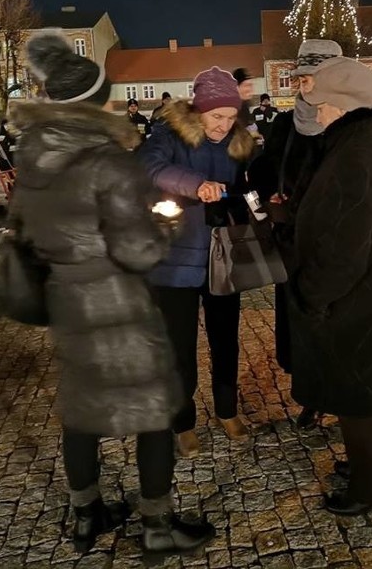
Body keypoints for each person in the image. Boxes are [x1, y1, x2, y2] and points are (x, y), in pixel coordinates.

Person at [9, 31, 215, 556]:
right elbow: (138, 251)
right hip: (117, 303)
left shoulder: (31, 156)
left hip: (67, 301)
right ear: (96, 103)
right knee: (153, 410)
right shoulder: (108, 160)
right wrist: (164, 224)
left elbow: (29, 231)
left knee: (82, 410)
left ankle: (86, 514)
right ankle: (157, 524)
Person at [291, 56, 372, 515]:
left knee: (357, 397)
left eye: (320, 105)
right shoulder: (364, 143)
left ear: (342, 106)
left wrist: (311, 297)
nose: (316, 113)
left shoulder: (355, 157)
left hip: (354, 298)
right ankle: (369, 466)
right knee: (365, 391)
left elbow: (344, 248)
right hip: (369, 291)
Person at [138, 66, 255, 458]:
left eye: (230, 116)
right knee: (179, 346)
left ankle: (226, 409)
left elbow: (251, 184)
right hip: (173, 260)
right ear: (198, 111)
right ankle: (183, 421)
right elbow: (150, 167)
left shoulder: (239, 143)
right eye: (216, 116)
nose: (223, 125)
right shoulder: (168, 136)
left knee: (226, 340)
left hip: (224, 258)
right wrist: (195, 184)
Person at [247, 39, 342, 431]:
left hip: (337, 242)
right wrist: (270, 194)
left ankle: (346, 400)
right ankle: (312, 397)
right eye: (301, 78)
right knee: (302, 327)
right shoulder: (287, 123)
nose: (305, 86)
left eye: (313, 78)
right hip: (293, 240)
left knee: (338, 323)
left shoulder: (351, 122)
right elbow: (263, 169)